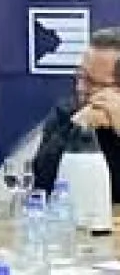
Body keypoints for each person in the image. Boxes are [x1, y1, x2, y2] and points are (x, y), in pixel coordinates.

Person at [31, 27, 120, 199]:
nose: (80, 88)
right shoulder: (68, 112)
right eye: (80, 76)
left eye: (92, 82)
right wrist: (77, 128)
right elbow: (43, 183)